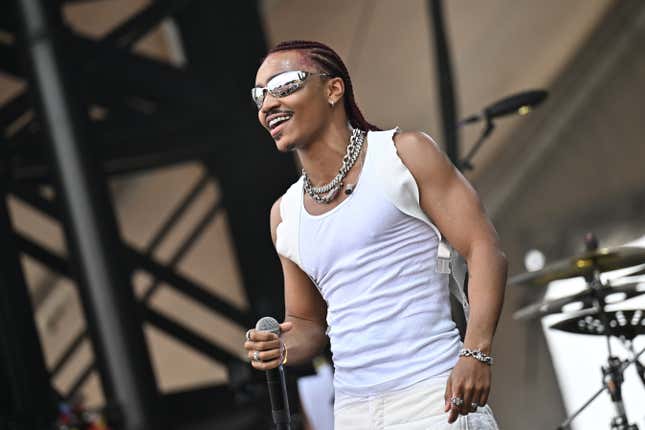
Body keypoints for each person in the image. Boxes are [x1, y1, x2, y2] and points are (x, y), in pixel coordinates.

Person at [243, 40, 507, 429]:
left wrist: (477, 352)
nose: (268, 105)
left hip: (434, 397)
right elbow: (307, 322)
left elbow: (483, 248)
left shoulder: (402, 155)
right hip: (354, 413)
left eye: (284, 85)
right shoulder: (285, 215)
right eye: (260, 96)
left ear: (334, 89)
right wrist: (282, 345)